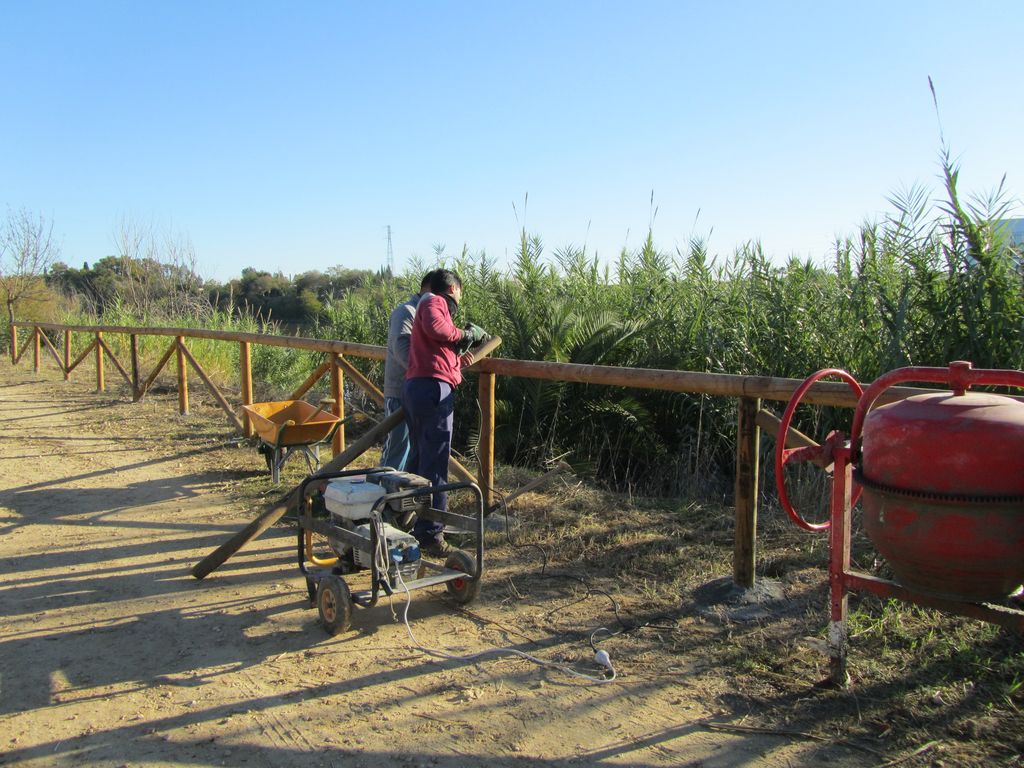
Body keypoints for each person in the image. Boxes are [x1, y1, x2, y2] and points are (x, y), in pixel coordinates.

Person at [401, 269, 487, 555]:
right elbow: (439, 330)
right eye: (460, 292)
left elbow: (435, 348)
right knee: (435, 463)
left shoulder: (427, 306)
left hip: (421, 385)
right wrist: (465, 334)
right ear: (452, 288)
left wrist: (458, 359)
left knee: (418, 459)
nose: (459, 299)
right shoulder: (433, 301)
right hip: (432, 390)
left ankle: (400, 518)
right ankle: (430, 534)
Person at [380, 271, 436, 471]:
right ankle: (382, 497)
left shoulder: (429, 314)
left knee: (414, 453)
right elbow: (402, 349)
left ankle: (403, 499)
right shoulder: (407, 311)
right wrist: (433, 370)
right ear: (430, 290)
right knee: (396, 454)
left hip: (420, 393)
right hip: (401, 392)